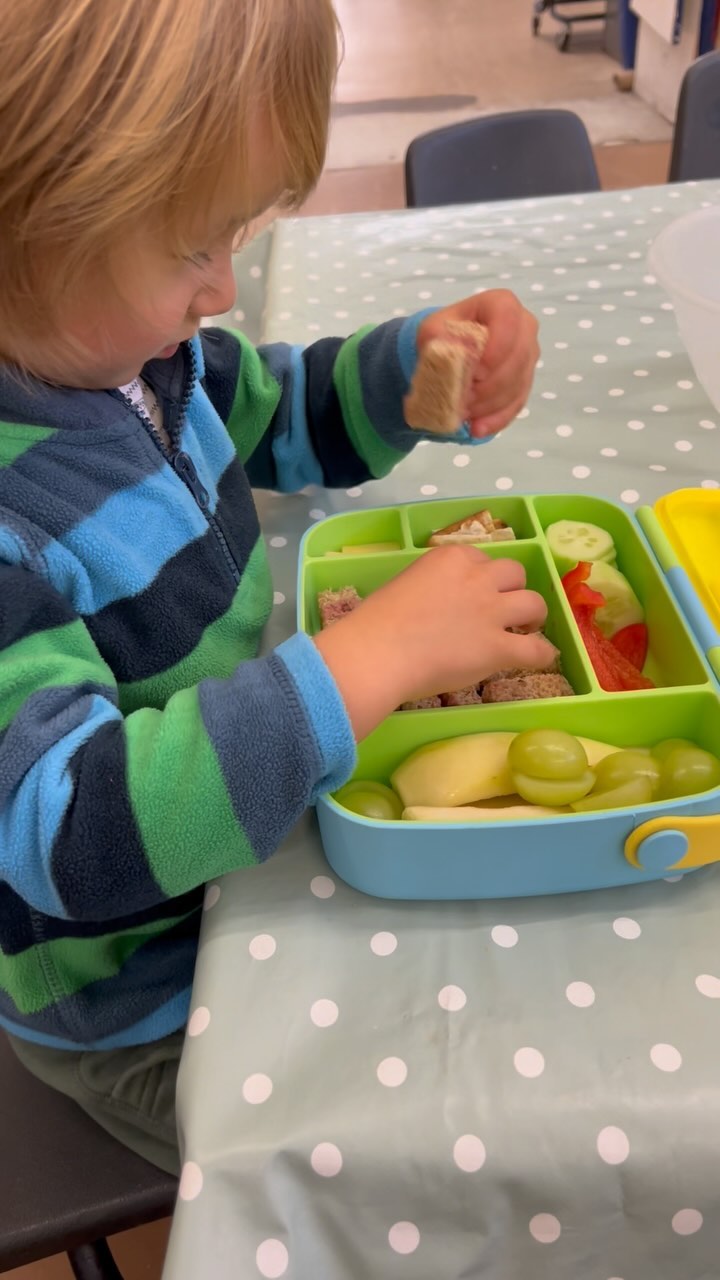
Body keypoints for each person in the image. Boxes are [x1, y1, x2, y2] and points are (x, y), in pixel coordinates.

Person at [0, 0, 554, 1175]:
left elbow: (279, 410)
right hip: (140, 997)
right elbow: (73, 830)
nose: (224, 291)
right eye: (196, 246)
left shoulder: (142, 353)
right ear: (31, 223)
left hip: (252, 839)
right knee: (429, 1144)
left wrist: (408, 371)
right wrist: (365, 664)